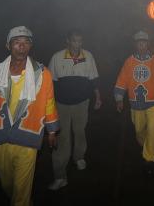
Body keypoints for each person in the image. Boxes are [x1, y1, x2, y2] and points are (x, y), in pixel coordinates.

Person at [0, 26, 59, 206]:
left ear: (31, 46)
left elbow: (49, 102)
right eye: (17, 42)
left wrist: (52, 130)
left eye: (26, 42)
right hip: (0, 139)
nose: (22, 46)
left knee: (21, 193)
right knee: (8, 185)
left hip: (28, 137)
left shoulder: (42, 75)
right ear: (8, 45)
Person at [48, 29, 102, 190]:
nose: (77, 44)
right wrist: (48, 105)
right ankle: (60, 176)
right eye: (74, 41)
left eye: (79, 41)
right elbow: (49, 83)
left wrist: (98, 97)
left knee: (80, 131)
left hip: (82, 102)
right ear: (68, 41)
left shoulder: (88, 56)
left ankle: (79, 157)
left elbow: (94, 79)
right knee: (63, 137)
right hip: (61, 104)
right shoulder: (57, 58)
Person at [114, 31, 154, 176]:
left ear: (148, 44)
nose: (142, 45)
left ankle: (149, 159)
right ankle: (145, 145)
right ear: (135, 44)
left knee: (152, 130)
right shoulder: (129, 61)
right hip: (135, 102)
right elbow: (122, 80)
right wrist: (118, 98)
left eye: (144, 42)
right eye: (139, 42)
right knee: (139, 129)